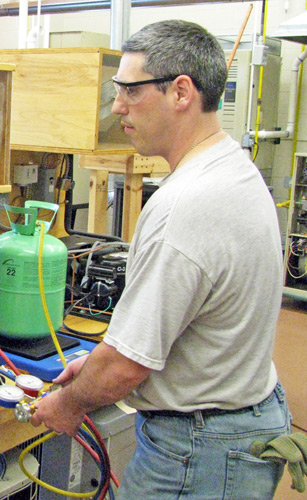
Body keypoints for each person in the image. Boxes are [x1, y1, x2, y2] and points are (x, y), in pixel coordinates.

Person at [30, 19, 292, 499]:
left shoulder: (183, 205)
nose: (117, 106)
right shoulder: (233, 167)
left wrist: (69, 404)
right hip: (244, 419)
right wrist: (94, 366)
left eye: (129, 90)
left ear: (181, 92)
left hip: (201, 449)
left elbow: (128, 367)